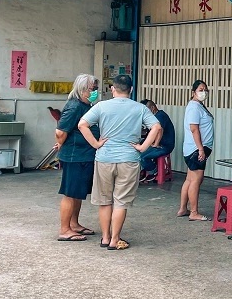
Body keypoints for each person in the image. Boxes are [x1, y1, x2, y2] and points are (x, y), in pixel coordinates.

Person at [78, 74, 162, 251]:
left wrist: (96, 144)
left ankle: (105, 237)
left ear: (112, 89)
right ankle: (115, 240)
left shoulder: (101, 106)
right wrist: (142, 147)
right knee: (121, 201)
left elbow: (82, 125)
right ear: (131, 90)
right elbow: (157, 127)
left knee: (104, 200)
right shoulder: (139, 108)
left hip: (104, 158)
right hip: (129, 159)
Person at [55, 73, 99, 242]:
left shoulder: (85, 105)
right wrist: (61, 144)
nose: (95, 91)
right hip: (75, 156)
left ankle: (74, 224)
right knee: (70, 193)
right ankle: (65, 229)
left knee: (78, 193)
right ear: (82, 89)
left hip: (83, 155)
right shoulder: (74, 106)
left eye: (95, 88)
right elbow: (60, 132)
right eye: (92, 88)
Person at [177, 80, 215, 221]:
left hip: (195, 149)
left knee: (189, 179)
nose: (203, 92)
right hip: (196, 149)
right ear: (193, 92)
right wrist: (200, 149)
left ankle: (182, 209)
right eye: (200, 89)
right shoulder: (193, 107)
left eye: (205, 89)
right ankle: (194, 212)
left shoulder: (199, 106)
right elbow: (194, 129)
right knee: (196, 180)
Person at [139, 99, 176, 182]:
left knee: (142, 157)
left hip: (164, 146)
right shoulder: (155, 116)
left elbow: (160, 130)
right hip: (159, 144)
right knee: (138, 149)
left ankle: (153, 171)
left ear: (152, 108)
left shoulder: (160, 116)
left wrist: (156, 144)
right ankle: (144, 171)